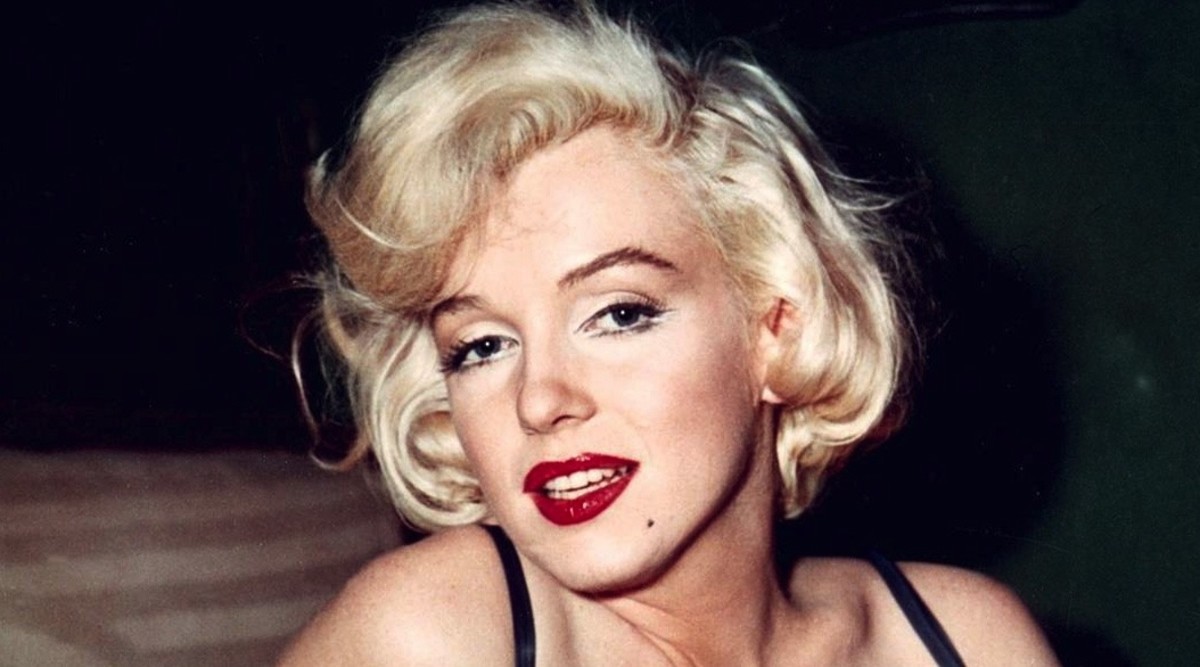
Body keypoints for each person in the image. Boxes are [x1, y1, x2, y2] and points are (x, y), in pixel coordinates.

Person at [279, 2, 1059, 665]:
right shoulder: (438, 630)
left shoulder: (967, 639)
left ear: (775, 328)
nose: (539, 400)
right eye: (481, 345)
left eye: (619, 313)